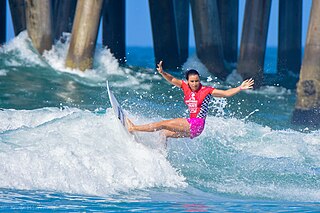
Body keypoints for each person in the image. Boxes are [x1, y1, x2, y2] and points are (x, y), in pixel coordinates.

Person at [127, 61, 254, 140]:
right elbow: (172, 79)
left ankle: (134, 128)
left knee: (163, 124)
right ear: (188, 81)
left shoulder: (206, 91)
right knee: (165, 133)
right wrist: (162, 72)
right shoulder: (185, 87)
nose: (194, 83)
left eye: (197, 81)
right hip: (193, 128)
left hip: (196, 124)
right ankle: (161, 155)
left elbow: (226, 93)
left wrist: (240, 87)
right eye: (192, 81)